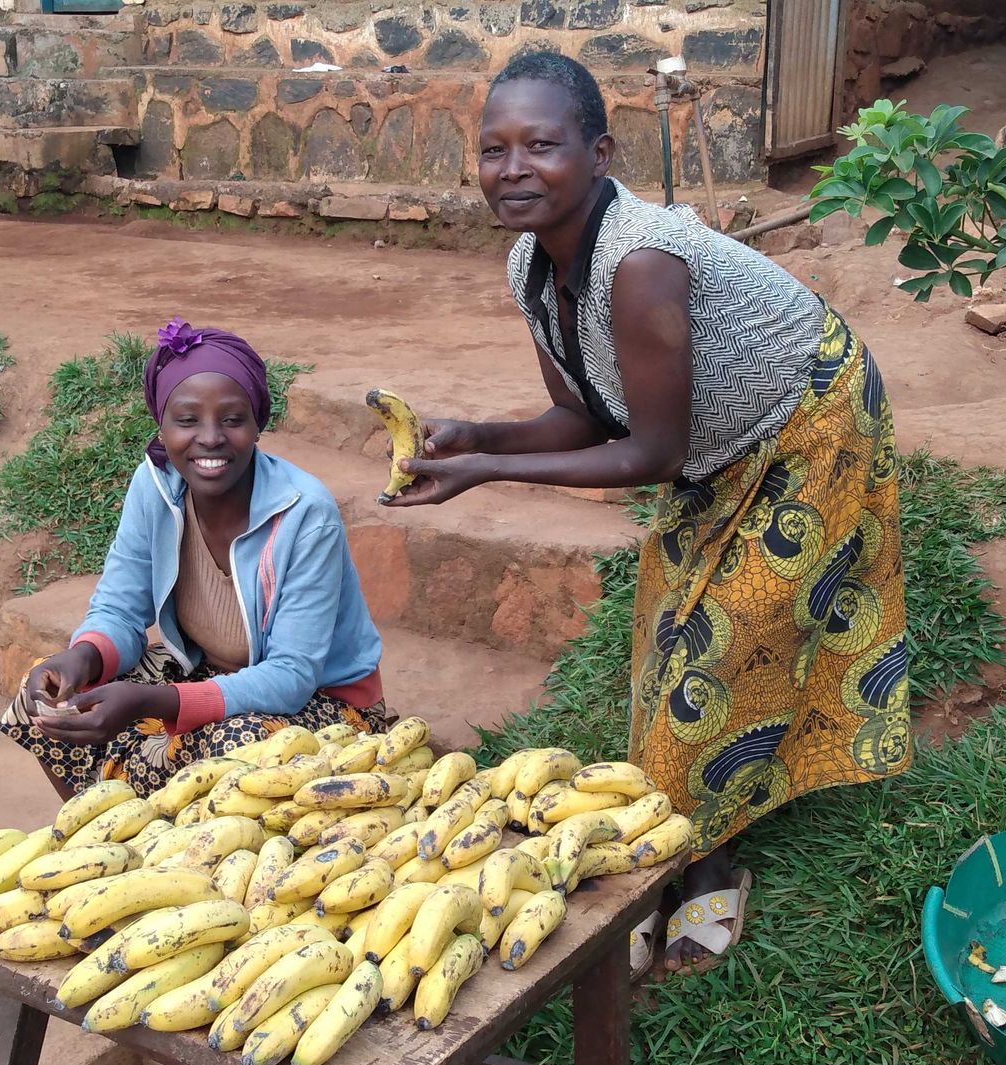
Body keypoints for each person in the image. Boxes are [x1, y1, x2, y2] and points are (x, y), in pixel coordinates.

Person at [385, 53, 911, 976]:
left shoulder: (641, 261)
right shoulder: (529, 263)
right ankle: (673, 840)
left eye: (541, 145)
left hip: (809, 418)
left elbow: (650, 456)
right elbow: (586, 416)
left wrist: (481, 474)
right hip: (706, 437)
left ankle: (706, 862)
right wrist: (477, 435)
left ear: (599, 152)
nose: (513, 168)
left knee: (732, 633)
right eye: (493, 148)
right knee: (670, 639)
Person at [3, 319, 390, 798]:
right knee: (44, 696)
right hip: (206, 669)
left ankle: (184, 856)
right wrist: (83, 658)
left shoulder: (304, 513)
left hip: (322, 701)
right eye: (187, 420)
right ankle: (91, 840)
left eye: (232, 419)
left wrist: (154, 700)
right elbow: (122, 608)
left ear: (257, 424)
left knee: (236, 747)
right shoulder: (156, 486)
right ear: (162, 427)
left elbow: (291, 676)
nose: (210, 438)